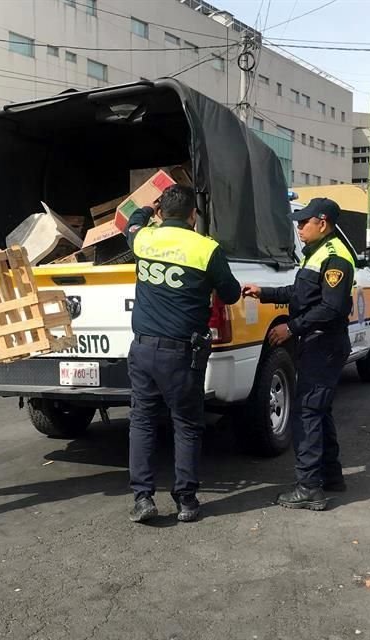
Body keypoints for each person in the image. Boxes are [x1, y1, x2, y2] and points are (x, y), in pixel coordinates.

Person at [125, 184, 241, 524]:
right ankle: (186, 501)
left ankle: (142, 498)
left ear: (162, 212)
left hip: (143, 348)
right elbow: (231, 294)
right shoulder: (206, 248)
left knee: (142, 421)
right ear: (193, 215)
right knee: (187, 424)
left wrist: (148, 208)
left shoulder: (144, 239)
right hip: (182, 353)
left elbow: (131, 224)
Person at [242, 198, 354, 511]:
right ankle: (330, 476)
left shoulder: (335, 257)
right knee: (319, 411)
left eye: (304, 222)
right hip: (319, 343)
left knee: (306, 413)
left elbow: (330, 308)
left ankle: (309, 488)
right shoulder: (316, 253)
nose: (299, 228)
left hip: (324, 344)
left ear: (323, 223)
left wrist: (291, 328)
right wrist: (263, 293)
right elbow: (300, 294)